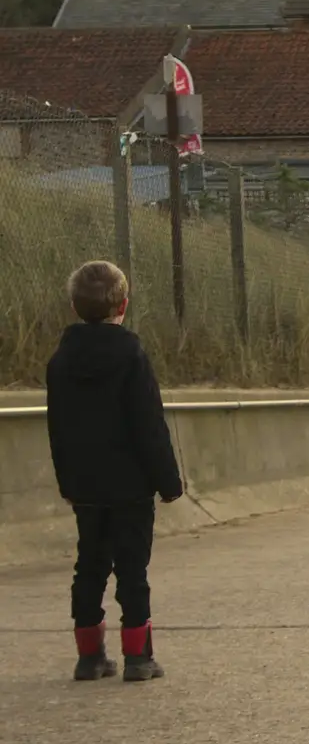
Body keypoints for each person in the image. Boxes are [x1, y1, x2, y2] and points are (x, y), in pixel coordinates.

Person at [46, 261, 183, 682]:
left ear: (73, 305)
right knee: (132, 569)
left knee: (89, 564)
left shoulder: (60, 361)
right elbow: (148, 423)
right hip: (131, 485)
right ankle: (138, 656)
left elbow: (59, 427)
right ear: (123, 305)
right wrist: (167, 480)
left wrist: (67, 481)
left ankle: (89, 656)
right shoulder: (132, 355)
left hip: (85, 484)